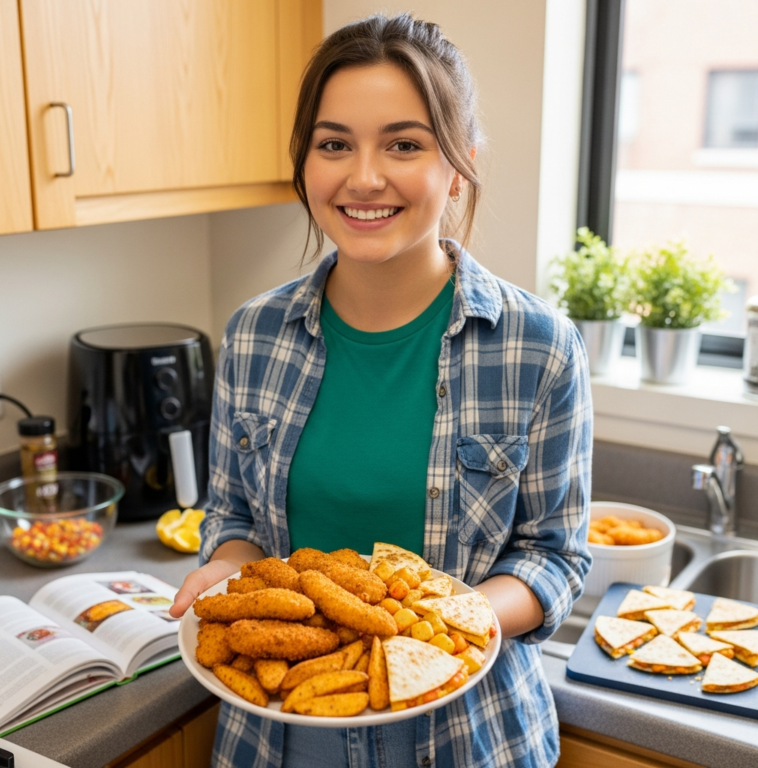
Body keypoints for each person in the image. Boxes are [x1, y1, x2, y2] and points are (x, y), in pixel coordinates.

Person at [170, 12, 593, 768]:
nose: (364, 178)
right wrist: (227, 571)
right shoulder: (253, 335)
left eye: (404, 144)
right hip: (279, 733)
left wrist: (438, 627)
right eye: (334, 145)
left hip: (469, 735)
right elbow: (233, 518)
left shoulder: (539, 346)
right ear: (305, 164)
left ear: (458, 166)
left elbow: (554, 557)